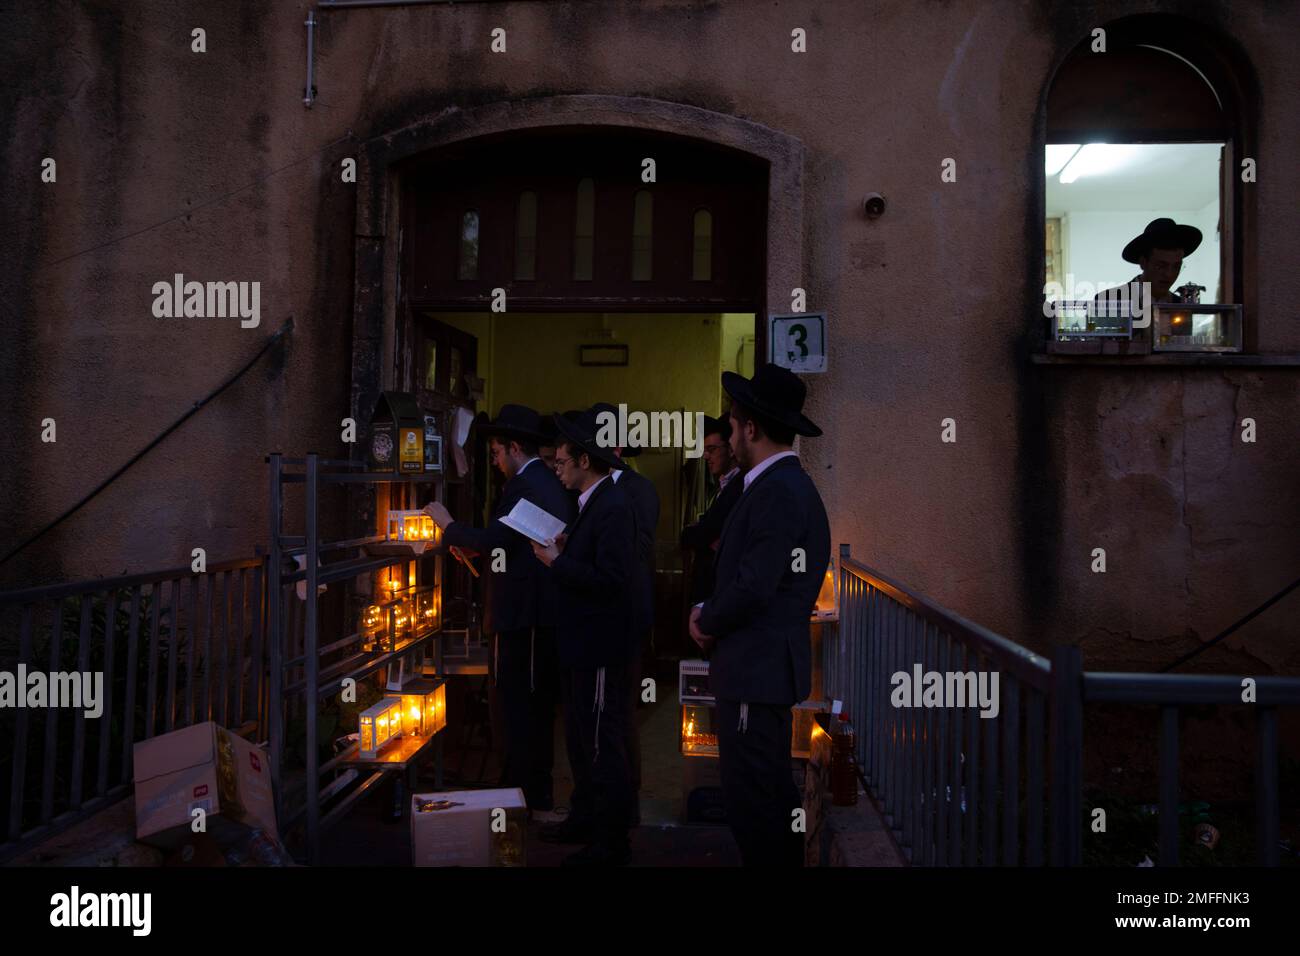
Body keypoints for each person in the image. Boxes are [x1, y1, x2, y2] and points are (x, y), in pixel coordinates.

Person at [689, 365, 830, 867]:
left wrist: (707, 618)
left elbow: (755, 585)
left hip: (755, 672)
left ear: (750, 428)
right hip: (758, 669)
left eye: (731, 423)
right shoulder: (778, 486)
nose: (727, 434)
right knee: (763, 798)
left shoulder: (778, 491)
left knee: (757, 806)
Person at [423, 404, 574, 812]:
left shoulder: (531, 485)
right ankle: (526, 789)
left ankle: (523, 793)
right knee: (529, 707)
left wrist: (448, 525)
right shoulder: (536, 482)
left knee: (520, 706)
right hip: (528, 614)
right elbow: (506, 542)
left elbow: (498, 538)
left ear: (513, 448)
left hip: (525, 617)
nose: (493, 458)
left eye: (495, 450)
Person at [532, 409, 637, 866]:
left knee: (601, 744)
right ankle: (586, 821)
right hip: (581, 644)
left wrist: (557, 560)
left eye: (562, 460)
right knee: (580, 738)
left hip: (599, 646)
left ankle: (610, 846)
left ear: (585, 461)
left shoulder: (613, 506)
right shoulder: (593, 502)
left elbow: (611, 580)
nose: (557, 466)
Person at [591, 401, 660, 825]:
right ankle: (610, 804)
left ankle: (625, 807)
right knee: (606, 715)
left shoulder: (636, 491)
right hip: (602, 616)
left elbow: (633, 557)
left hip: (623, 617)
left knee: (619, 712)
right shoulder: (598, 489)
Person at [680, 414, 743, 605]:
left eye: (712, 449)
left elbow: (701, 534)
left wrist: (700, 533)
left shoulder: (738, 487)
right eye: (705, 450)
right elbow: (696, 535)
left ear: (731, 450)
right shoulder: (723, 487)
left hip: (717, 599)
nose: (706, 456)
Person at [1093, 217, 1203, 325]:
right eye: (1160, 266)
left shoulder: (1182, 307)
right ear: (1143, 263)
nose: (1169, 274)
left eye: (1176, 267)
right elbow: (1101, 342)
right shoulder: (1109, 300)